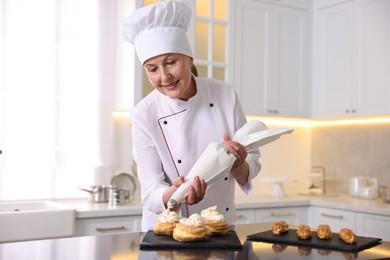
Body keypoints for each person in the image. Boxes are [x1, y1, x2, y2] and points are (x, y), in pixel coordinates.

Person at [122, 0, 261, 232]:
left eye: (171, 62)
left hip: (219, 226)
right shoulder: (143, 114)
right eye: (152, 69)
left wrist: (238, 166)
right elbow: (150, 192)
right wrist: (175, 194)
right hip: (168, 229)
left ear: (189, 58)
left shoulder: (225, 94)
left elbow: (253, 160)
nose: (164, 76)